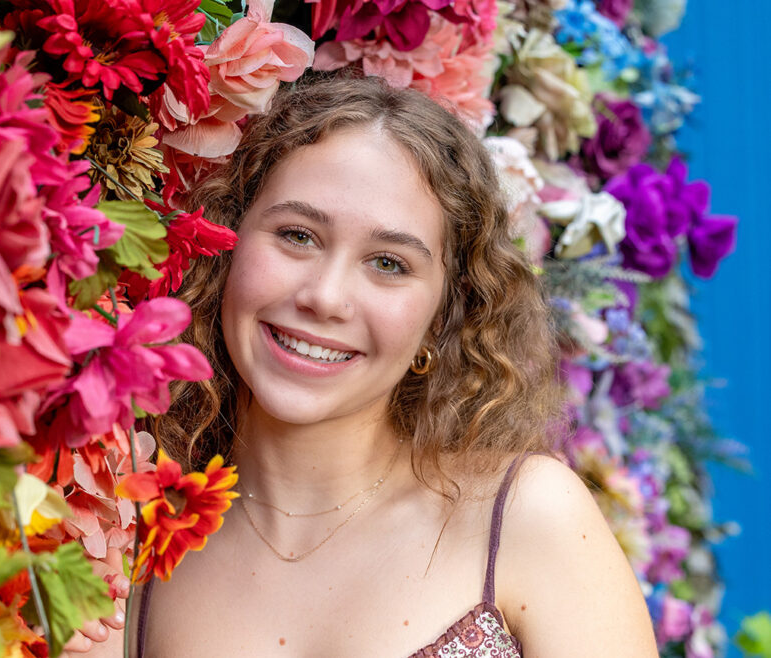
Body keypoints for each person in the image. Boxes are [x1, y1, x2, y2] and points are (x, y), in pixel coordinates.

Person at [63, 75, 659, 657]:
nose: (325, 296)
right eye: (297, 235)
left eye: (389, 264)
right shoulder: (129, 547)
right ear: (226, 244)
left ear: (442, 316)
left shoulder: (525, 520)